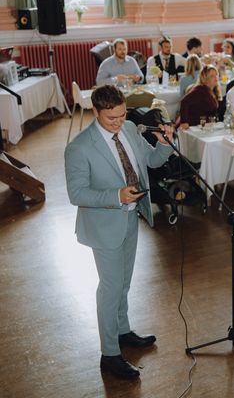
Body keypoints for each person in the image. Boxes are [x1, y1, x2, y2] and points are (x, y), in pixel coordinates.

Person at [64, 85, 174, 380]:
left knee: (123, 281)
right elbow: (76, 193)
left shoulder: (128, 128)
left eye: (122, 114)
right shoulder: (79, 147)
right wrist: (116, 196)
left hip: (131, 218)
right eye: (111, 118)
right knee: (110, 288)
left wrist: (165, 144)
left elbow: (150, 161)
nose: (119, 121)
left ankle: (123, 331)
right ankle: (109, 353)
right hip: (104, 225)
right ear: (95, 112)